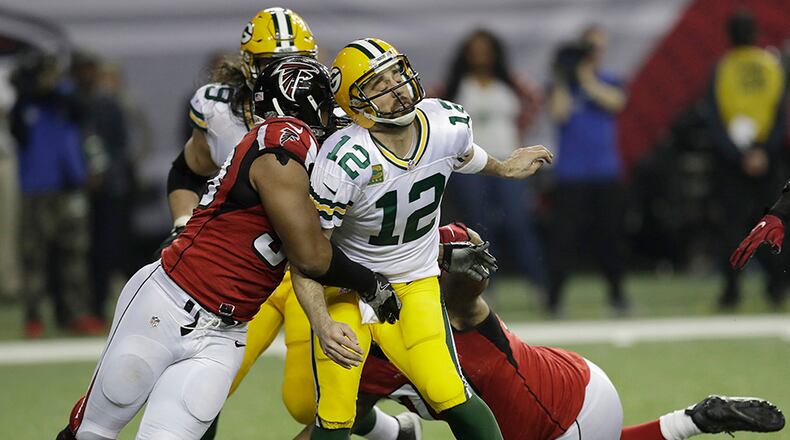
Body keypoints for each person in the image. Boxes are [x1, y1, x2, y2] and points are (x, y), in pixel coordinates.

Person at [54, 56, 399, 440]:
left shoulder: (321, 156)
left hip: (226, 332)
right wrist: (370, 282)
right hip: (169, 303)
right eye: (325, 100)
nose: (335, 112)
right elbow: (312, 257)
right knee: (93, 432)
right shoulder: (281, 144)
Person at [295, 37, 552, 440]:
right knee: (336, 410)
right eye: (379, 84)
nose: (396, 87)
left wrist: (502, 168)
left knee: (451, 393)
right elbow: (306, 254)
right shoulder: (343, 159)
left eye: (396, 72)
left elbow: (464, 155)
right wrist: (320, 321)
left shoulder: (446, 123)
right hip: (345, 290)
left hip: (415, 284)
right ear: (356, 102)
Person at [348, 223, 786, 440]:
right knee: (344, 398)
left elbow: (465, 262)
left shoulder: (455, 310)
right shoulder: (390, 321)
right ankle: (693, 419)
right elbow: (345, 406)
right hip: (566, 377)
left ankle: (690, 422)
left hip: (570, 413)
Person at [439, 29, 545, 289]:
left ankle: (541, 286)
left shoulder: (510, 82)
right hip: (471, 165)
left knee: (518, 222)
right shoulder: (455, 85)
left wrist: (519, 132)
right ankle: (484, 288)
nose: (480, 56)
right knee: (479, 226)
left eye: (485, 50)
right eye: (475, 50)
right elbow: (433, 111)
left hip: (508, 160)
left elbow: (534, 100)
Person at [9, 51, 104, 338]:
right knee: (33, 255)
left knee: (74, 252)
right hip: (36, 188)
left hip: (69, 187)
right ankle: (33, 315)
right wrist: (30, 88)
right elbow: (17, 131)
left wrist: (49, 88)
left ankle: (76, 313)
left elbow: (81, 109)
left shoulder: (65, 98)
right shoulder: (25, 103)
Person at [704, 9, 787, 309]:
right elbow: (780, 117)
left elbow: (714, 119)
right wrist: (764, 152)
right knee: (773, 223)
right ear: (755, 33)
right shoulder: (772, 66)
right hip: (768, 159)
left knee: (732, 228)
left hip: (732, 163)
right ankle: (777, 289)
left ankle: (731, 292)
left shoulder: (722, 68)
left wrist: (739, 155)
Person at [545, 24, 629, 317]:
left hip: (606, 171)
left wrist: (586, 78)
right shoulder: (562, 85)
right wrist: (564, 77)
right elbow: (559, 113)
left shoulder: (608, 79)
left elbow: (616, 102)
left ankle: (618, 296)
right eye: (589, 48)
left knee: (610, 237)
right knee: (563, 239)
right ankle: (554, 299)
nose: (594, 54)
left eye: (598, 48)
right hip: (571, 173)